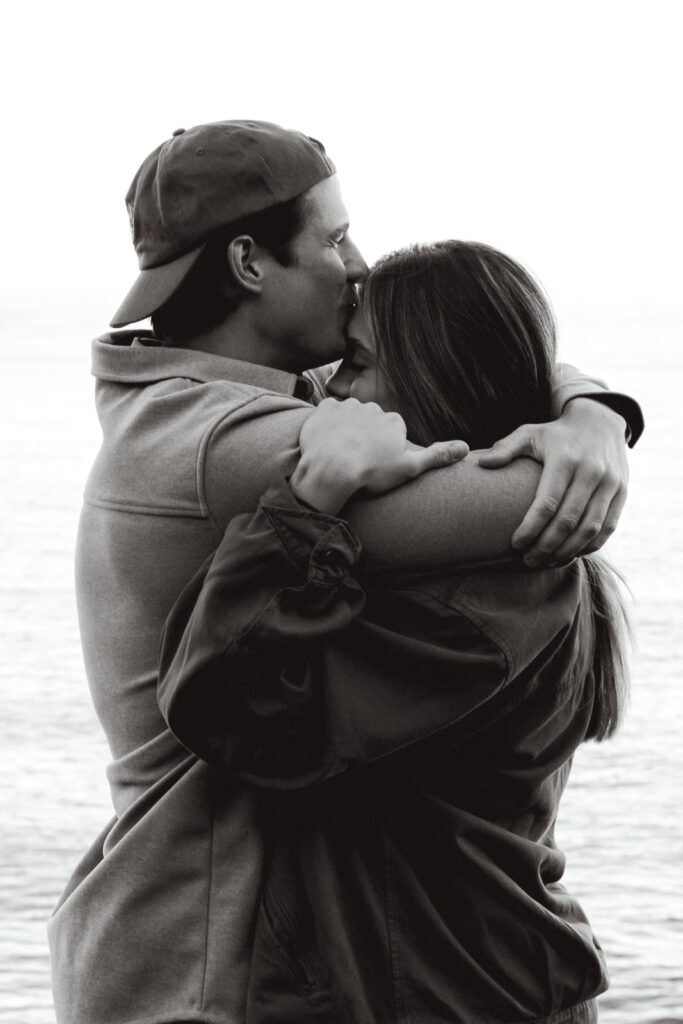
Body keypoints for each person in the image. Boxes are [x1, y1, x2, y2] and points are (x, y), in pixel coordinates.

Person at [48, 120, 642, 1024]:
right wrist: (585, 431)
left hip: (306, 971)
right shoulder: (235, 443)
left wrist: (585, 407)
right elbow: (528, 487)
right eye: (332, 239)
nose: (356, 265)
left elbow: (468, 355)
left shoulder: (209, 397)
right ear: (249, 263)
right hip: (198, 964)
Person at [157, 242, 634, 1023]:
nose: (330, 395)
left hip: (439, 995)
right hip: (462, 979)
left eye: (356, 363)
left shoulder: (470, 608)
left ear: (438, 381)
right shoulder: (485, 558)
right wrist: (591, 406)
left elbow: (224, 709)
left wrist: (306, 501)